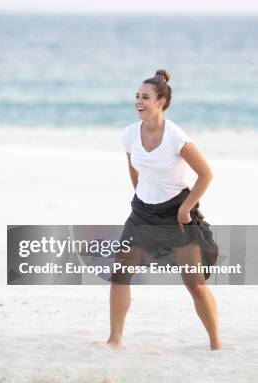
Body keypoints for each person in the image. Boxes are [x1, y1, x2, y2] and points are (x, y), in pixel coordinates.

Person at [107, 69, 222, 350]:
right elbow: (133, 171)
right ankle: (114, 340)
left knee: (194, 283)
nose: (138, 101)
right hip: (142, 214)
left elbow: (206, 174)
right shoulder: (129, 134)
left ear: (161, 102)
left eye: (145, 97)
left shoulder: (176, 136)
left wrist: (185, 208)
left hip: (176, 216)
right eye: (137, 96)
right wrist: (143, 198)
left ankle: (216, 343)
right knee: (120, 275)